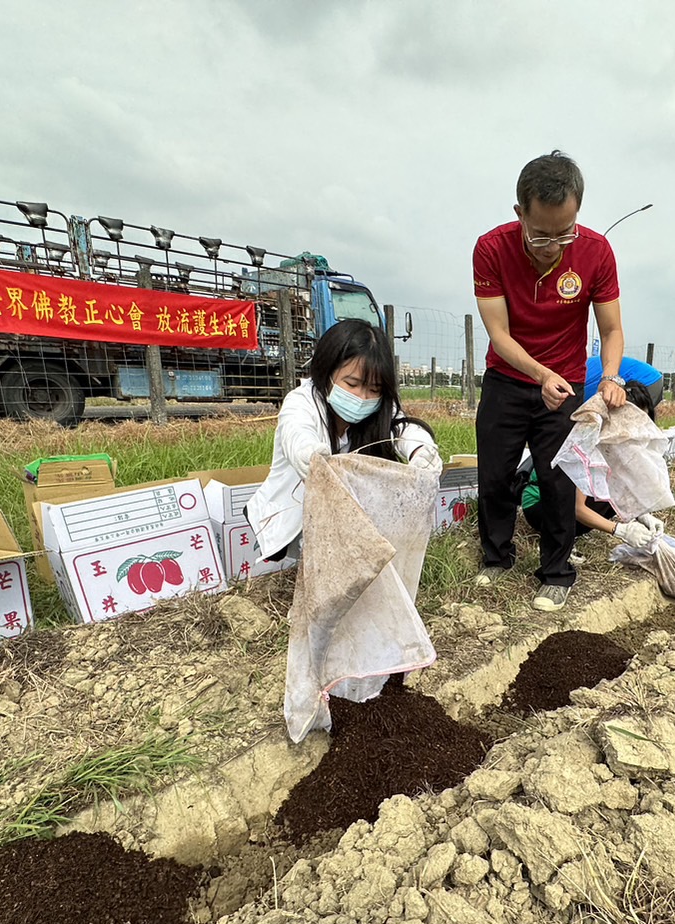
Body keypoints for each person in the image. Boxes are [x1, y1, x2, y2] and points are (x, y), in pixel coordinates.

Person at [473, 150, 627, 612]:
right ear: (520, 213)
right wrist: (540, 373)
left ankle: (557, 572)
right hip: (508, 377)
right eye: (541, 234)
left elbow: (612, 329)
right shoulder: (492, 249)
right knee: (495, 474)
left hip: (565, 387)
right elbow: (498, 334)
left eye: (566, 232)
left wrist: (611, 376)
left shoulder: (596, 251)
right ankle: (496, 557)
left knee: (560, 478)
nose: (554, 245)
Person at [246, 319, 440, 560]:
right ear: (327, 371)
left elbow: (405, 428)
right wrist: (308, 454)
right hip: (295, 509)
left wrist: (421, 451)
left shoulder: (379, 410)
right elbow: (295, 432)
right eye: (352, 384)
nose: (362, 397)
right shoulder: (302, 402)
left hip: (346, 513)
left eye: (374, 389)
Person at [515, 380, 664, 555]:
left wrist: (642, 515)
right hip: (539, 505)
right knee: (607, 491)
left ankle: (566, 534)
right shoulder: (591, 440)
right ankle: (560, 540)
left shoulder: (617, 445)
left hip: (559, 504)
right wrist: (621, 530)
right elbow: (576, 507)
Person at [583, 354, 664, 407]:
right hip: (651, 377)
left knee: (626, 423)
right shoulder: (586, 365)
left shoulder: (582, 377)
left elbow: (593, 403)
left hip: (647, 381)